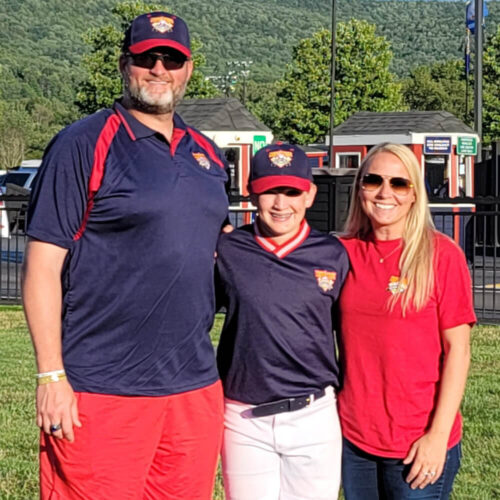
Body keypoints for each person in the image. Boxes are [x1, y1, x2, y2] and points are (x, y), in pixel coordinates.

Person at [22, 11, 228, 500]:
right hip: (103, 388)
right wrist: (51, 375)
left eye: (171, 59)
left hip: (192, 387)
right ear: (124, 64)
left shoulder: (208, 153)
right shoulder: (83, 143)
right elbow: (42, 267)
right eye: (146, 58)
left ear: (189, 69)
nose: (159, 69)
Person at [338, 143, 475, 500]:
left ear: (415, 193)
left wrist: (437, 436)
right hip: (355, 440)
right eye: (373, 181)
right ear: (359, 188)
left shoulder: (442, 255)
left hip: (418, 441)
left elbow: (458, 351)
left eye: (399, 184)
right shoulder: (342, 253)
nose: (385, 193)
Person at [215, 144, 349, 500]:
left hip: (313, 413)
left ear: (310, 195)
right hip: (244, 417)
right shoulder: (228, 250)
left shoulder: (333, 254)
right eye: (270, 191)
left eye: (291, 192)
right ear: (252, 193)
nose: (280, 203)